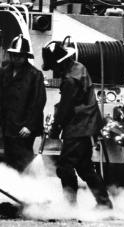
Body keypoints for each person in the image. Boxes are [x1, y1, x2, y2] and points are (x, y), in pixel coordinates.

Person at [42, 41, 113, 209]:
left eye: (53, 67)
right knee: (85, 167)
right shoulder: (79, 67)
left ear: (60, 64)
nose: (54, 71)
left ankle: (69, 205)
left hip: (79, 127)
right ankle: (104, 203)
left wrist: (54, 130)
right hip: (87, 125)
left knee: (65, 167)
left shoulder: (70, 80)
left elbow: (66, 109)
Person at [0, 34, 46, 172]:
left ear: (25, 56)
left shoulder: (35, 75)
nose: (16, 58)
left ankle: (25, 189)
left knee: (24, 161)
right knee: (9, 159)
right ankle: (12, 187)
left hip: (24, 128)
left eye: (19, 56)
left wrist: (29, 126)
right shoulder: (5, 72)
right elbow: (0, 98)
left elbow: (38, 101)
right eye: (13, 55)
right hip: (8, 125)